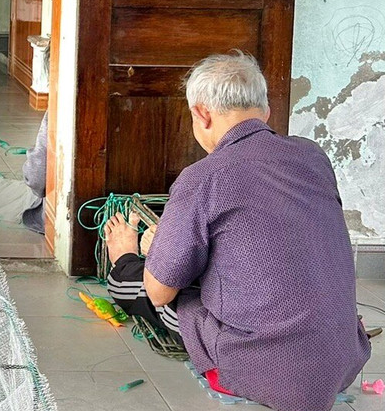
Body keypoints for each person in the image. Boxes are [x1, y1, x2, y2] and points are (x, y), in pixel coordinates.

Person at [102, 51, 371, 411]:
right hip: (343, 358)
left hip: (269, 371)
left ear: (202, 113)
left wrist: (135, 255)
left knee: (138, 286)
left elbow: (160, 291)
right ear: (266, 112)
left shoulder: (202, 177)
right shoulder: (313, 157)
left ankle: (122, 262)